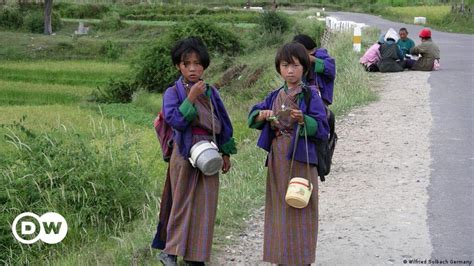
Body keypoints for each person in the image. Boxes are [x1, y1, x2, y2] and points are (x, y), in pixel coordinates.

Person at [153, 37, 237, 266]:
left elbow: (224, 123)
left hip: (209, 152)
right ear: (178, 66)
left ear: (204, 66)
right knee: (180, 202)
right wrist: (190, 97)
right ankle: (170, 251)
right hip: (184, 152)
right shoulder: (173, 93)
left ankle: (196, 256)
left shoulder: (211, 92)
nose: (192, 68)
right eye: (186, 63)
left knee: (205, 204)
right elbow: (176, 121)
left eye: (197, 63)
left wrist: (226, 153)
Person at [247, 42, 329, 265]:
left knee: (301, 204)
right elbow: (252, 117)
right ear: (279, 68)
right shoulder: (274, 95)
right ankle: (281, 256)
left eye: (295, 65)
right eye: (285, 65)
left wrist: (305, 120)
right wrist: (261, 115)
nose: (290, 71)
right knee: (278, 207)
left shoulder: (311, 96)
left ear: (304, 68)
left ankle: (302, 258)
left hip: (302, 157)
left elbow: (323, 129)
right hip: (277, 157)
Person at [293, 34, 336, 106]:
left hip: (320, 96)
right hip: (303, 94)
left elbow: (331, 70)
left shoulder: (321, 54)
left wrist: (314, 60)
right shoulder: (298, 59)